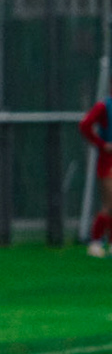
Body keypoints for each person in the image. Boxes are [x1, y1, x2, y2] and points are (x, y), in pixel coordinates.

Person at [81, 92, 111, 258]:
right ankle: (95, 242)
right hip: (108, 161)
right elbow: (85, 125)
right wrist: (101, 144)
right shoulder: (104, 106)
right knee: (109, 203)